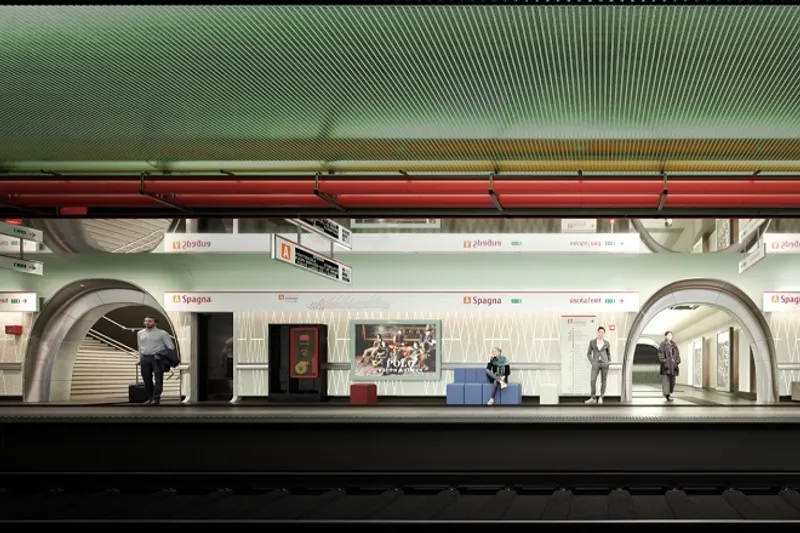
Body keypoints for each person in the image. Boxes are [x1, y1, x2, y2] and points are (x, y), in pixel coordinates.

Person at [136, 316, 176, 406]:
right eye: (145, 321)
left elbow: (171, 347)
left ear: (155, 323)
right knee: (146, 378)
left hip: (157, 358)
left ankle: (156, 398)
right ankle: (150, 398)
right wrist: (140, 358)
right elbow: (140, 346)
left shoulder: (162, 333)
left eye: (150, 321)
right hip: (145, 358)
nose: (147, 323)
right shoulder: (140, 333)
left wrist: (161, 354)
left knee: (158, 378)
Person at [585, 326, 611, 404]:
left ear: (604, 334)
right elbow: (588, 353)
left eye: (602, 332)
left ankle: (601, 397)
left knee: (603, 380)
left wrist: (609, 361)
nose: (601, 333)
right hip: (595, 363)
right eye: (599, 332)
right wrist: (592, 361)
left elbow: (608, 353)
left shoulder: (607, 343)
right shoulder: (592, 342)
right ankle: (593, 398)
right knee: (592, 380)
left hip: (604, 363)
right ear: (597, 332)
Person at [658, 330, 681, 402]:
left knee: (672, 382)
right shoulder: (663, 344)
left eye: (671, 335)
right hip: (666, 367)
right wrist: (665, 362)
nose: (670, 336)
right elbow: (660, 354)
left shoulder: (674, 345)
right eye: (669, 335)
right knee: (666, 382)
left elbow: (677, 354)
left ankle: (669, 393)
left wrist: (677, 361)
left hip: (673, 367)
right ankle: (667, 395)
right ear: (665, 336)